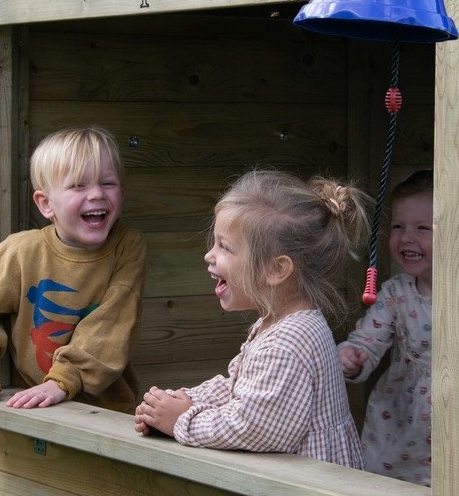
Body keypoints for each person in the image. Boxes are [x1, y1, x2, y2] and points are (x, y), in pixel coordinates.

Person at [134, 168, 371, 467]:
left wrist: (183, 420)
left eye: (224, 246)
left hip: (310, 490)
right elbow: (240, 389)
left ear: (276, 270)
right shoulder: (279, 321)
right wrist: (182, 401)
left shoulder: (287, 344)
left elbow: (253, 427)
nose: (209, 255)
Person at [0, 125, 146, 426]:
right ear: (46, 204)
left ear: (122, 194)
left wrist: (63, 380)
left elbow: (112, 325)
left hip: (108, 414)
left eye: (108, 183)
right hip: (34, 410)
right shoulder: (21, 251)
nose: (97, 194)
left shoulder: (127, 247)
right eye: (78, 186)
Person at [338, 169, 434, 485]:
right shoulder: (396, 293)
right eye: (398, 226)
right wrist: (353, 356)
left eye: (423, 228)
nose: (407, 238)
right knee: (389, 490)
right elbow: (368, 340)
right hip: (402, 424)